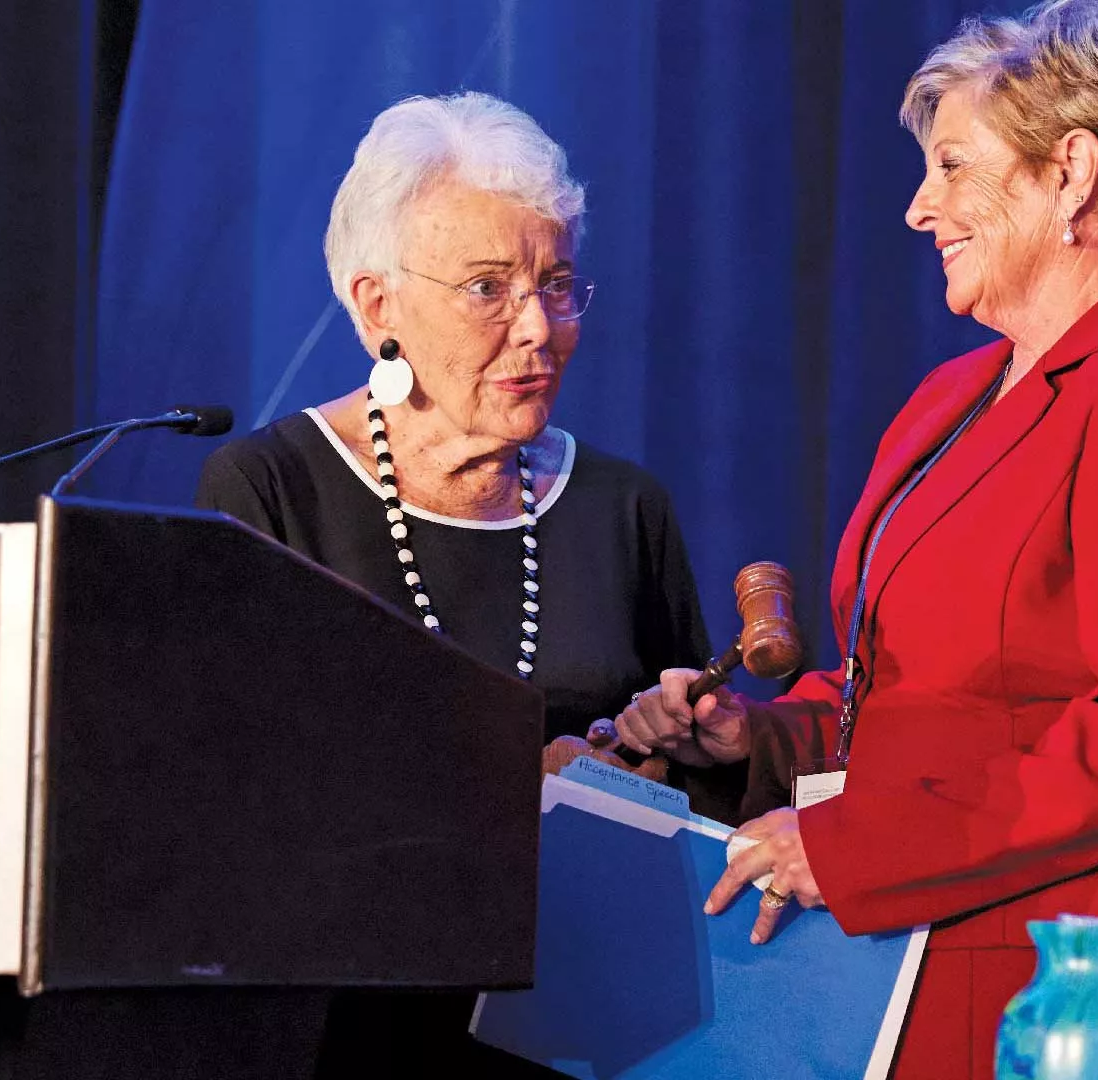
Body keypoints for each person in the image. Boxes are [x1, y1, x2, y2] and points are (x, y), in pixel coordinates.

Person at [615, 3, 1098, 1077]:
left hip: (1083, 978)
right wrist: (762, 743)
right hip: (918, 952)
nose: (918, 209)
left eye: (952, 167)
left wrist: (853, 849)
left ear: (1071, 171)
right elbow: (910, 703)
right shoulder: (952, 395)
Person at [196, 91, 723, 1076]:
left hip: (587, 1029)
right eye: (489, 288)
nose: (539, 327)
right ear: (377, 305)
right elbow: (238, 799)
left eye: (558, 283)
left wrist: (675, 757)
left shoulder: (622, 506)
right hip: (344, 1031)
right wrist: (507, 793)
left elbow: (697, 805)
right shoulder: (270, 488)